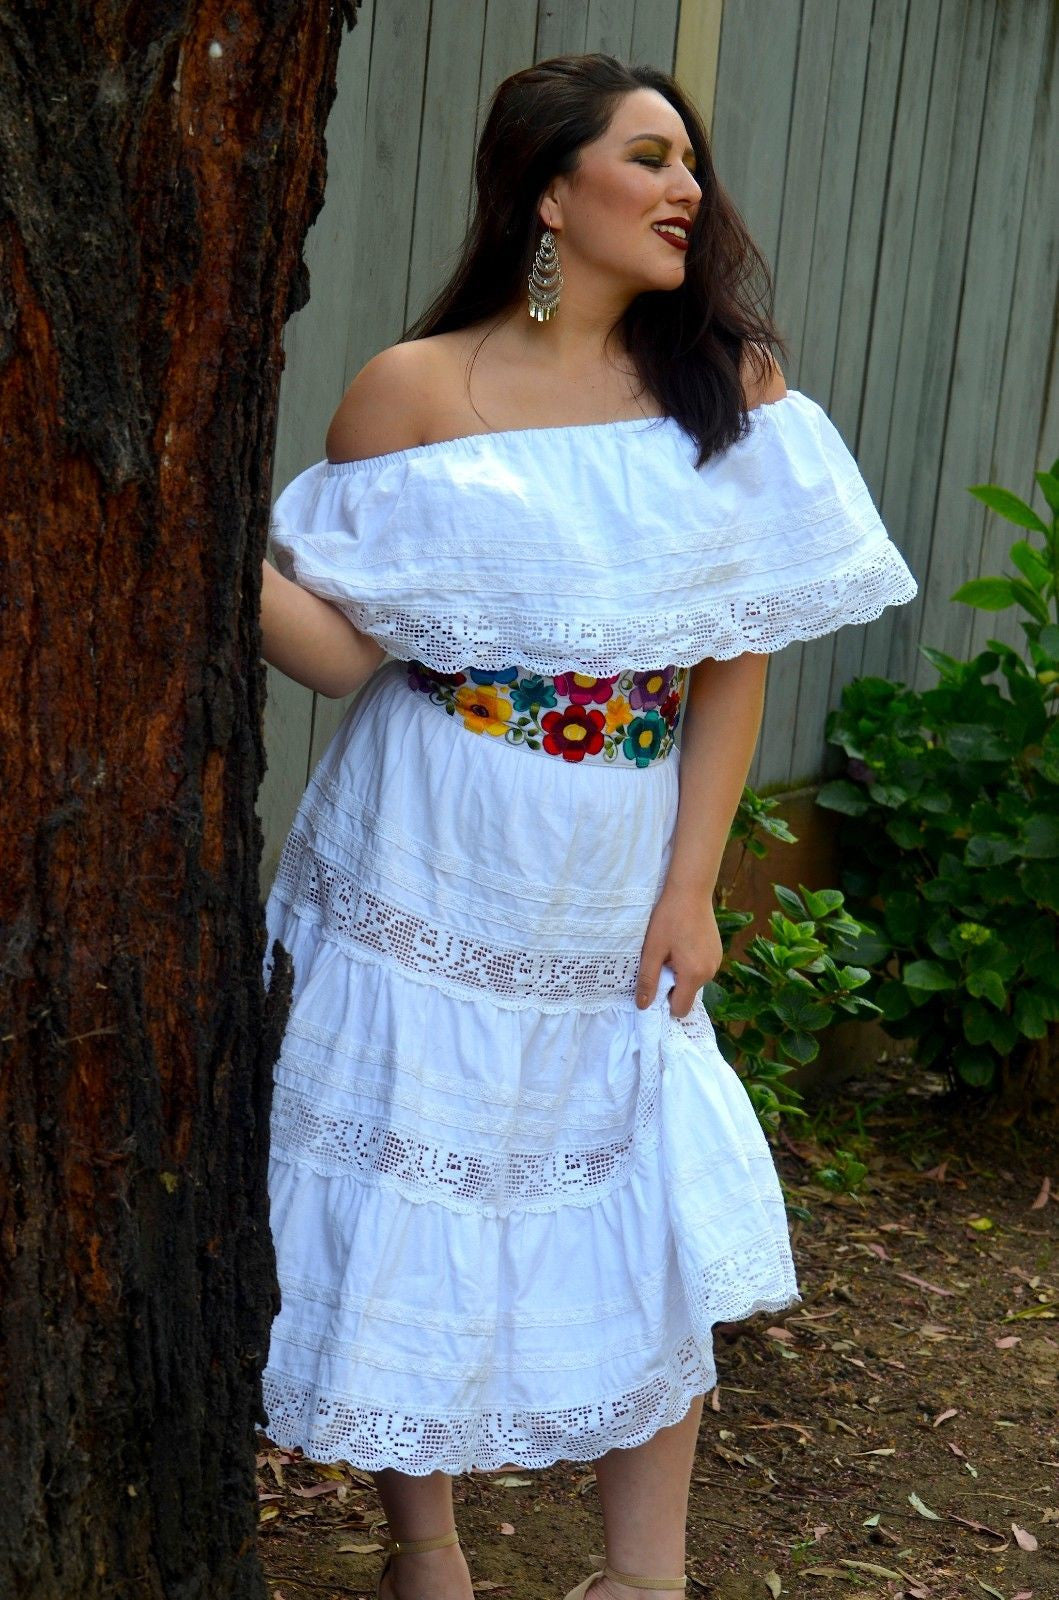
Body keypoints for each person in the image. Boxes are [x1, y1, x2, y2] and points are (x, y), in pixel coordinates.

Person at [257, 52, 917, 1600]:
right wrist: (210, 541)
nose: (688, 186)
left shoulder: (724, 386)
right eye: (648, 157)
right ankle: (426, 1551)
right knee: (411, 1170)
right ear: (552, 193)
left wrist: (694, 888)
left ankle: (646, 1578)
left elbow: (734, 661)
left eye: (691, 160)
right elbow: (348, 652)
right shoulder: (414, 392)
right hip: (428, 826)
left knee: (649, 1192)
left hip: (618, 849)